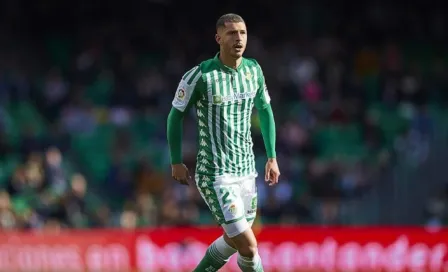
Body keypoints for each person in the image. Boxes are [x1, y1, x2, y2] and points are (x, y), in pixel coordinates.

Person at [167, 13, 280, 272]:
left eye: (242, 32)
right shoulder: (200, 76)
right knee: (249, 247)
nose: (238, 38)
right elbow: (175, 116)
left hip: (246, 171)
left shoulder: (254, 70)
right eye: (231, 33)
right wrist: (176, 161)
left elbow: (265, 110)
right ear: (218, 38)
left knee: (233, 241)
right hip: (216, 175)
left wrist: (272, 156)